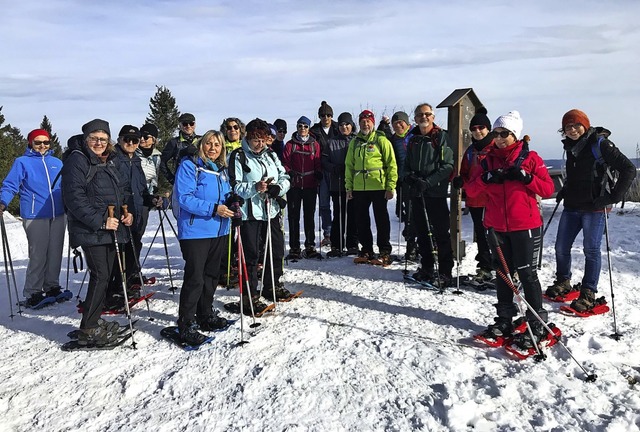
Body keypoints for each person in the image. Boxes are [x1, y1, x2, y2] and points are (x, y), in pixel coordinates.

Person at [465, 111, 555, 348]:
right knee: (503, 275)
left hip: (524, 225)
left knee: (527, 274)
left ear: (515, 134)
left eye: (505, 133)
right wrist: (487, 178)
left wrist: (526, 178)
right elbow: (471, 191)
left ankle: (537, 323)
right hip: (496, 226)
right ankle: (505, 319)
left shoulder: (530, 158)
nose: (500, 137)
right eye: (496, 133)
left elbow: (547, 189)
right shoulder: (487, 160)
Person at [546, 109, 636, 312]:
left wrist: (613, 197)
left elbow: (628, 169)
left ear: (585, 125)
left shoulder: (600, 144)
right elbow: (578, 174)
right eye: (568, 127)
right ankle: (563, 282)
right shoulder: (570, 146)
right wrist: (565, 190)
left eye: (576, 125)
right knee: (561, 247)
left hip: (595, 208)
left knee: (591, 250)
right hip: (572, 205)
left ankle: (588, 292)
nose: (572, 129)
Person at [62, 119, 133, 346]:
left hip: (109, 228)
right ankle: (89, 328)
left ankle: (93, 320)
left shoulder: (108, 160)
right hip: (91, 229)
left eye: (103, 139)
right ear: (86, 139)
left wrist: (126, 213)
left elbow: (119, 192)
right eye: (94, 138)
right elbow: (74, 198)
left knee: (105, 274)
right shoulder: (77, 160)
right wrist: (100, 223)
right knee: (100, 274)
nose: (99, 143)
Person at [173, 130, 235, 344]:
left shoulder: (221, 170)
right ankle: (186, 321)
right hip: (195, 231)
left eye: (217, 145)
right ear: (202, 145)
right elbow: (185, 198)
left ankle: (205, 313)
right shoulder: (191, 166)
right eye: (209, 143)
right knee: (195, 277)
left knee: (211, 276)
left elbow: (224, 195)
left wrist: (233, 201)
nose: (213, 148)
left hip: (219, 229)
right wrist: (214, 208)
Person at [227, 118, 291, 314]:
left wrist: (278, 188)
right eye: (256, 140)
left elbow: (285, 177)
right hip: (250, 213)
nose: (260, 144)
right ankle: (249, 294)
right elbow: (233, 185)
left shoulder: (270, 155)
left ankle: (272, 285)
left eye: (263, 140)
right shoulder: (238, 156)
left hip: (270, 211)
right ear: (248, 137)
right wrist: (254, 188)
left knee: (276, 249)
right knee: (252, 253)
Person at [0, 129, 67, 308]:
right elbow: (10, 185)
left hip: (58, 213)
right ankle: (33, 292)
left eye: (46, 142)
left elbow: (66, 185)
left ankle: (52, 286)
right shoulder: (22, 162)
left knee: (55, 252)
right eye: (38, 143)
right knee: (38, 254)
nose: (42, 146)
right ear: (30, 143)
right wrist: (2, 202)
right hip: (35, 214)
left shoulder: (57, 162)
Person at [403, 103, 454, 286]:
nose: (423, 117)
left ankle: (445, 271)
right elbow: (406, 163)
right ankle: (427, 267)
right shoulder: (413, 138)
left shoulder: (440, 137)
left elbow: (447, 165)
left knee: (440, 233)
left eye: (427, 114)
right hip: (417, 192)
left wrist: (428, 182)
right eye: (419, 115)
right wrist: (409, 177)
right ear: (415, 119)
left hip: (435, 192)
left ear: (432, 117)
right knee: (422, 232)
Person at [345, 110, 397, 266]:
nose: (365, 124)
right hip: (359, 187)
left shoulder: (381, 140)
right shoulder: (355, 142)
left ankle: (384, 251)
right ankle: (366, 249)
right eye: (362, 122)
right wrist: (349, 187)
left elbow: (391, 164)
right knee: (361, 219)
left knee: (381, 218)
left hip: (378, 186)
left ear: (373, 123)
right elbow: (349, 166)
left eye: (368, 121)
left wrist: (390, 186)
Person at [452, 107, 494, 283]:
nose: (477, 131)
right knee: (482, 236)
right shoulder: (470, 151)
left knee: (496, 236)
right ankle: (485, 268)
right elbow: (464, 172)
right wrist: (459, 180)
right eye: (474, 129)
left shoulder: (495, 148)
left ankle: (504, 267)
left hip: (493, 201)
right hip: (475, 200)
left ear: (488, 128)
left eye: (481, 128)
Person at [282, 115, 322, 259]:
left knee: (309, 216)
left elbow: (318, 161)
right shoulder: (290, 144)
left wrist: (318, 172)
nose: (302, 129)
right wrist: (289, 172)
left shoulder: (314, 145)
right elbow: (284, 162)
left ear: (309, 128)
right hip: (295, 185)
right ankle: (294, 247)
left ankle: (310, 245)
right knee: (293, 216)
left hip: (310, 185)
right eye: (300, 126)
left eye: (305, 126)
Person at [322, 112, 359, 257]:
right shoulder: (331, 142)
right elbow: (324, 161)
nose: (344, 127)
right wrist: (333, 168)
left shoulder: (356, 140)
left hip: (354, 184)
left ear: (351, 125)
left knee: (353, 214)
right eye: (342, 124)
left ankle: (352, 244)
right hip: (336, 183)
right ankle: (336, 245)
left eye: (347, 124)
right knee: (338, 214)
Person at [388, 111, 417, 261]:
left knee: (421, 215)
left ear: (407, 122)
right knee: (408, 215)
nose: (398, 125)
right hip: (403, 181)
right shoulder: (393, 139)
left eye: (401, 122)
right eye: (395, 123)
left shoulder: (416, 134)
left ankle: (426, 247)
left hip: (418, 180)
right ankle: (411, 247)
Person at [310, 101, 338, 247]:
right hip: (322, 171)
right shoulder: (314, 131)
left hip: (336, 171)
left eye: (328, 115)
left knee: (339, 205)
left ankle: (339, 233)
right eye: (322, 115)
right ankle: (327, 233)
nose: (325, 118)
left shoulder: (339, 128)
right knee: (324, 204)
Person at [160, 113, 200, 185]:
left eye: (191, 123)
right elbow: (162, 161)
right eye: (185, 124)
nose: (188, 126)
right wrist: (172, 179)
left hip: (199, 181)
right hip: (182, 182)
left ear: (195, 124)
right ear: (180, 125)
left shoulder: (201, 140)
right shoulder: (174, 143)